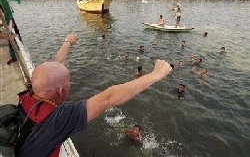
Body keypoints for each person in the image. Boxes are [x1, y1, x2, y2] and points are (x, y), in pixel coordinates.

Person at [16, 33, 172, 156]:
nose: (70, 83)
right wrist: (156, 74)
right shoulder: (58, 119)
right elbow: (109, 97)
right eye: (68, 81)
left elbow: (54, 68)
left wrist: (67, 42)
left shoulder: (30, 94)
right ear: (60, 91)